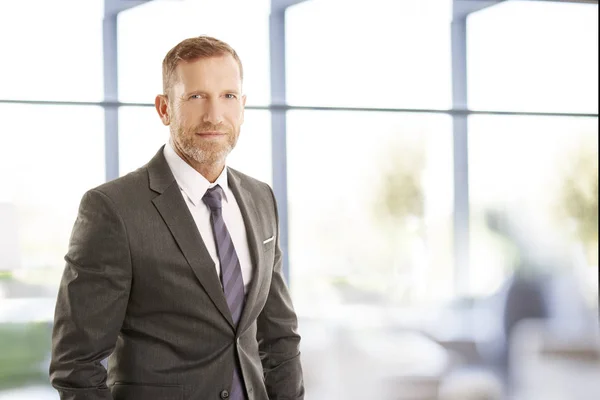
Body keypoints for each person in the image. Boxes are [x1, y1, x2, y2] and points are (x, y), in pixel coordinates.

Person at [49, 36, 304, 400]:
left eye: (228, 96)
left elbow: (280, 337)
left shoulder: (261, 199)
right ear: (164, 108)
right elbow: (76, 364)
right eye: (196, 96)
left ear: (243, 107)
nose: (215, 115)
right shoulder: (112, 209)